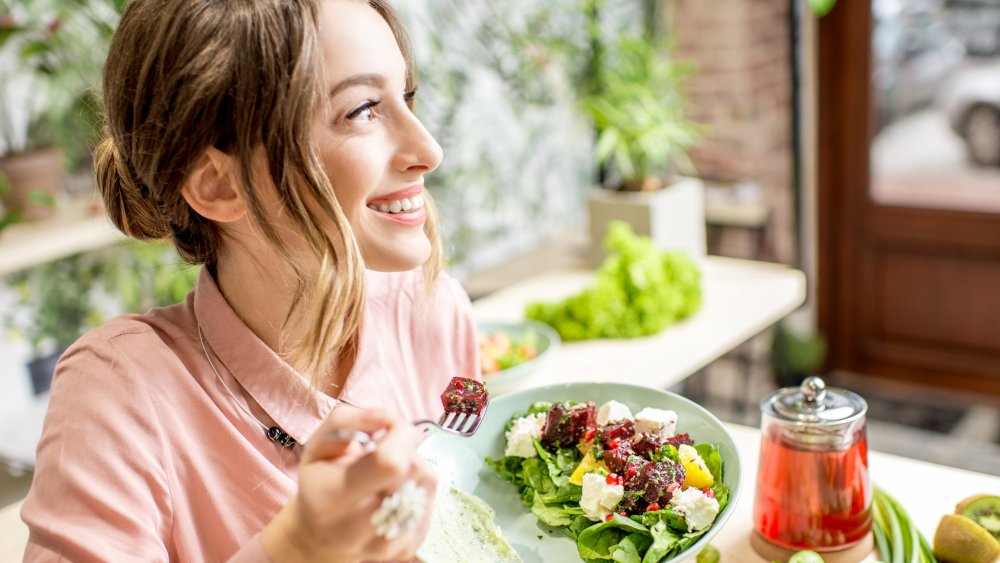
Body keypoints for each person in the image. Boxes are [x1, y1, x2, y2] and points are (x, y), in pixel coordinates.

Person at [20, 0, 481, 560]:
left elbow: (479, 511)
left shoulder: (433, 311)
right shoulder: (120, 392)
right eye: (362, 110)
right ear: (218, 185)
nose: (428, 150)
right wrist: (299, 548)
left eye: (405, 98)